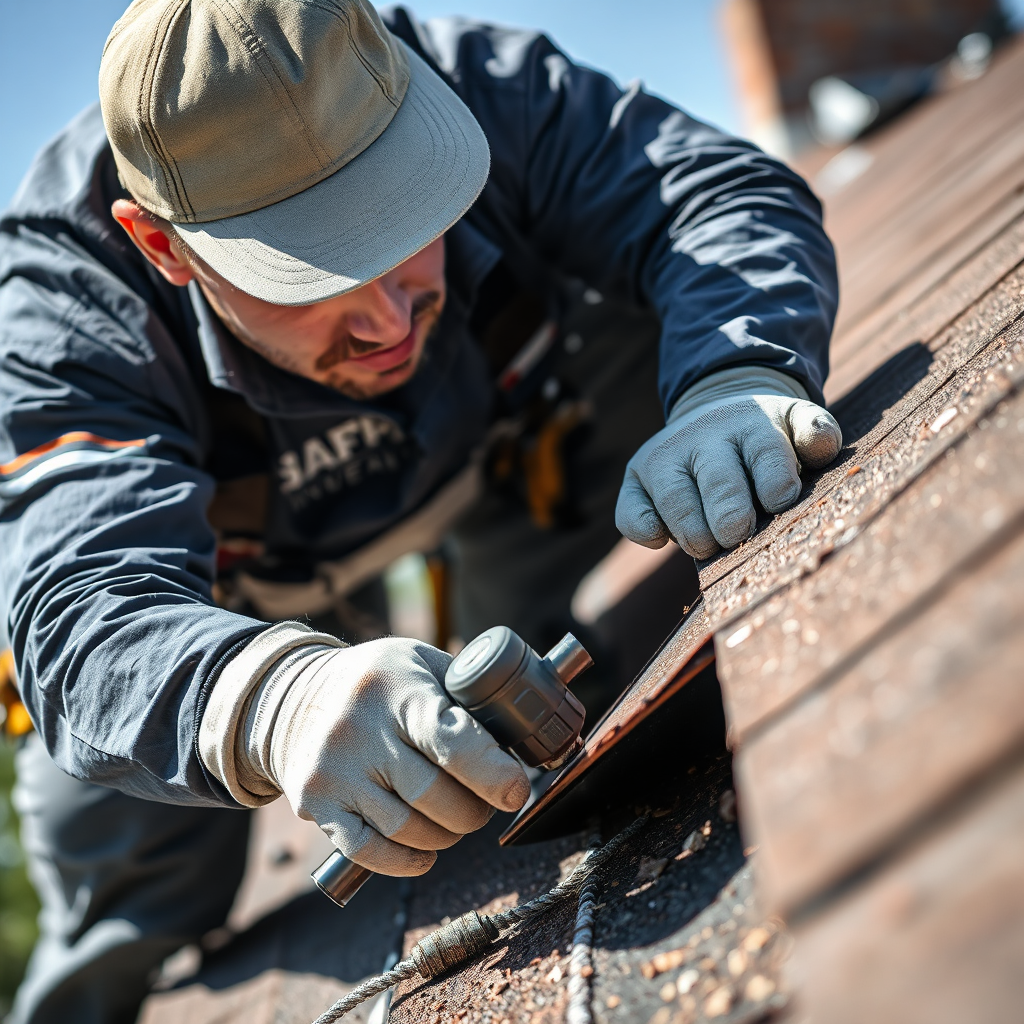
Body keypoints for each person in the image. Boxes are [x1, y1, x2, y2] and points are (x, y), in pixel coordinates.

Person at [0, 1, 841, 1020]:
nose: (391, 319)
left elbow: (710, 195)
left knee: (664, 315)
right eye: (310, 272)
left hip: (502, 472)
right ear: (163, 247)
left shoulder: (469, 78)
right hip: (224, 601)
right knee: (127, 871)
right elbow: (81, 612)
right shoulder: (63, 302)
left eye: (404, 226)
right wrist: (278, 700)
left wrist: (732, 374)